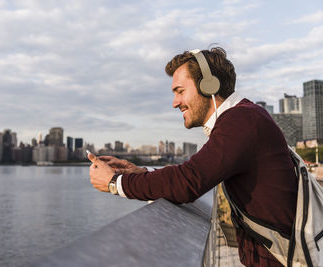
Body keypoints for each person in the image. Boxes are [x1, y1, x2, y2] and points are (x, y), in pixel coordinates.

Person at [88, 47, 297, 267]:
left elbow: (188, 181)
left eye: (180, 91)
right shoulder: (244, 117)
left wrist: (115, 182)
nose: (174, 103)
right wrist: (142, 172)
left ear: (209, 86)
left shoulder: (242, 120)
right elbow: (194, 173)